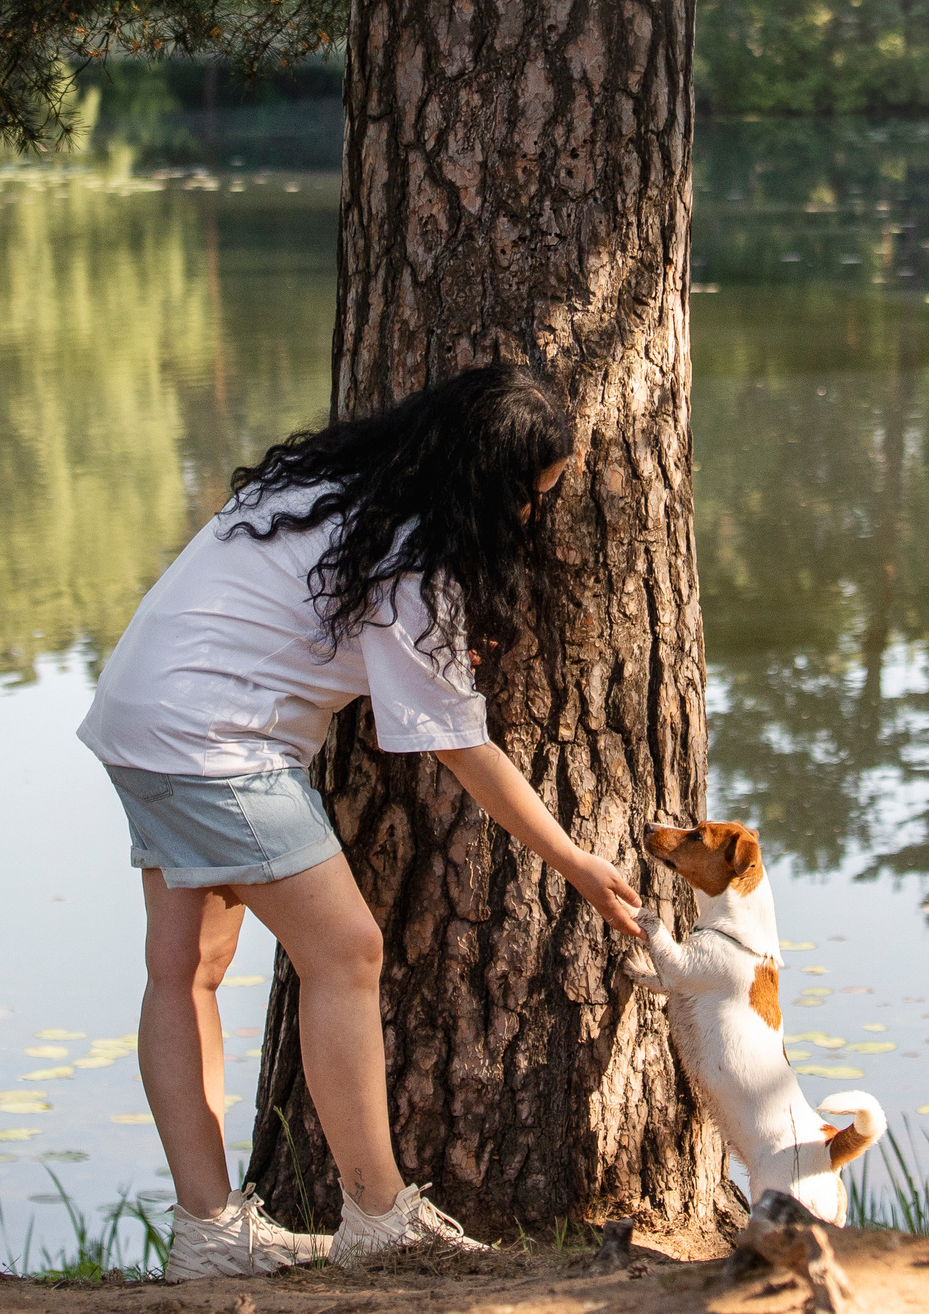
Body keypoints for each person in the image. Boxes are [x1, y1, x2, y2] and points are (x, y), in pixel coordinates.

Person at [78, 364, 647, 1280]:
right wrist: (574, 859)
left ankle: (206, 1229)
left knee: (185, 969)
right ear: (484, 484)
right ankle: (379, 1216)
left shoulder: (331, 483)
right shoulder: (412, 558)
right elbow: (461, 748)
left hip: (139, 715)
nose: (531, 517)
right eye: (529, 496)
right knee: (346, 949)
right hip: (213, 741)